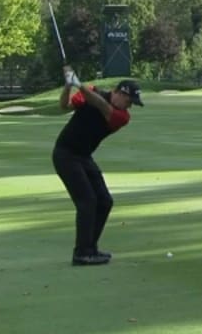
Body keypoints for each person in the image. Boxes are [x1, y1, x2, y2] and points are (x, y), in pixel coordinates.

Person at [52, 66, 144, 266]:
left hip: (83, 156)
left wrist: (79, 84)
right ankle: (82, 253)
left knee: (105, 201)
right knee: (87, 201)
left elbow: (102, 106)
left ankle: (90, 248)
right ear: (119, 93)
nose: (129, 107)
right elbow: (64, 106)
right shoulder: (92, 93)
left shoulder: (121, 117)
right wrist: (69, 85)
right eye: (129, 101)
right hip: (65, 154)